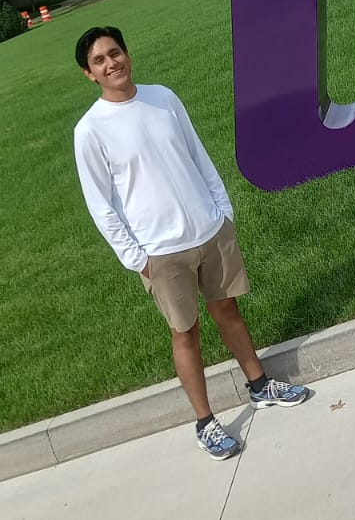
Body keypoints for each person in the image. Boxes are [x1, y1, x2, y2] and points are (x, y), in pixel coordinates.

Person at [73, 25, 309, 460]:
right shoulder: (90, 130)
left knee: (228, 310)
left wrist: (223, 211)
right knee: (185, 333)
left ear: (127, 53)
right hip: (159, 251)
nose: (111, 63)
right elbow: (100, 205)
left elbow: (197, 154)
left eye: (115, 52)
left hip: (208, 229)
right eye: (99, 61)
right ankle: (205, 422)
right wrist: (137, 259)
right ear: (89, 74)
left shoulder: (162, 98)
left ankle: (259, 385)